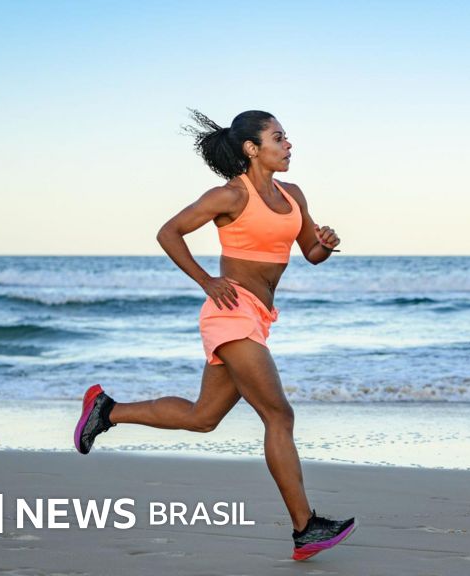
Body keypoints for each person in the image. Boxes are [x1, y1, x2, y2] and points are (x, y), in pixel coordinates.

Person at [73, 109, 356, 561]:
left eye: (286, 138)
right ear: (252, 148)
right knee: (279, 416)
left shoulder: (293, 194)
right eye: (278, 138)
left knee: (203, 417)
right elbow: (169, 232)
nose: (288, 145)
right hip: (230, 312)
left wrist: (324, 241)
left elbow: (311, 253)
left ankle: (107, 411)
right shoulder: (229, 196)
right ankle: (306, 527)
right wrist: (206, 280)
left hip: (259, 315)